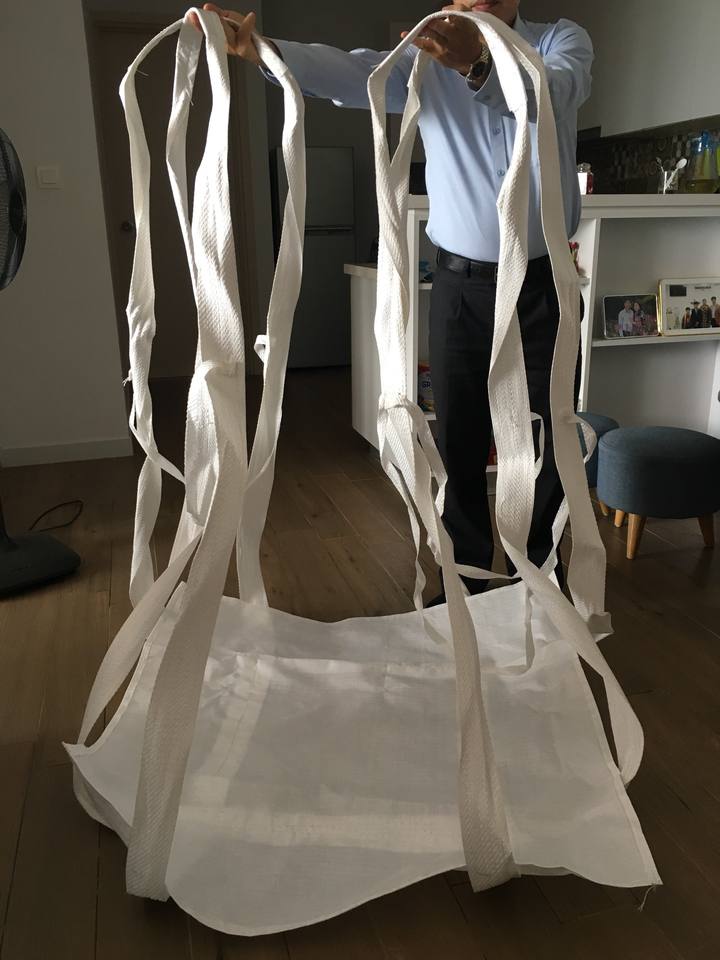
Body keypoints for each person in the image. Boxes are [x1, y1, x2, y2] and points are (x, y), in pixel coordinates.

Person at [191, 2, 594, 596]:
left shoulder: (562, 40)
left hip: (545, 284)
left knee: (551, 435)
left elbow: (552, 94)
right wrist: (262, 51)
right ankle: (465, 581)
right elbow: (353, 73)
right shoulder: (424, 58)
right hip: (461, 289)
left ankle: (542, 581)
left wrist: (478, 64)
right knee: (459, 435)